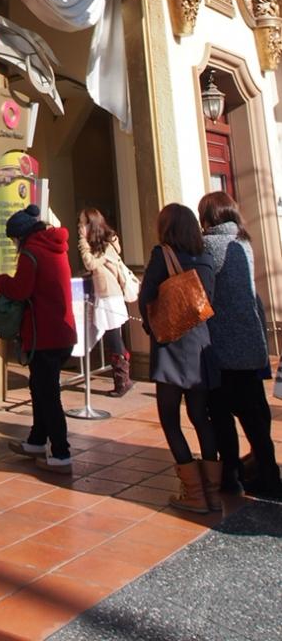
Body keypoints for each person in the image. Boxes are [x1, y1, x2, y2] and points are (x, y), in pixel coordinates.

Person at [198, 191, 281, 500]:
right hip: (250, 345)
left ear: (208, 217)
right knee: (255, 418)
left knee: (222, 416)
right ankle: (269, 475)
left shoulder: (209, 245)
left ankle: (231, 475)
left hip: (223, 348)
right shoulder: (243, 242)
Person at [139, 203, 220, 513]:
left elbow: (146, 298)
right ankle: (212, 493)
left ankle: (194, 494)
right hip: (200, 345)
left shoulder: (163, 255)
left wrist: (154, 327)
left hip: (172, 347)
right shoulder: (206, 257)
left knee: (170, 418)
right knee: (201, 417)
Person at [0, 204, 77, 474]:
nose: (14, 244)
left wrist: (0, 281)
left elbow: (21, 289)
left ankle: (61, 452)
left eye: (13, 239)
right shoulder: (56, 247)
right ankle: (36, 440)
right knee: (40, 388)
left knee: (48, 395)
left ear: (20, 236)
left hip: (44, 335)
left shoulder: (31, 253)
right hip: (62, 333)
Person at [78, 207, 133, 396]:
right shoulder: (104, 243)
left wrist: (82, 241)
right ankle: (123, 379)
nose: (80, 227)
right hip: (108, 294)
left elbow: (90, 263)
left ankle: (122, 380)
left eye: (83, 223)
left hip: (109, 296)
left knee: (113, 338)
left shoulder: (104, 246)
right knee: (113, 337)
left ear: (91, 224)